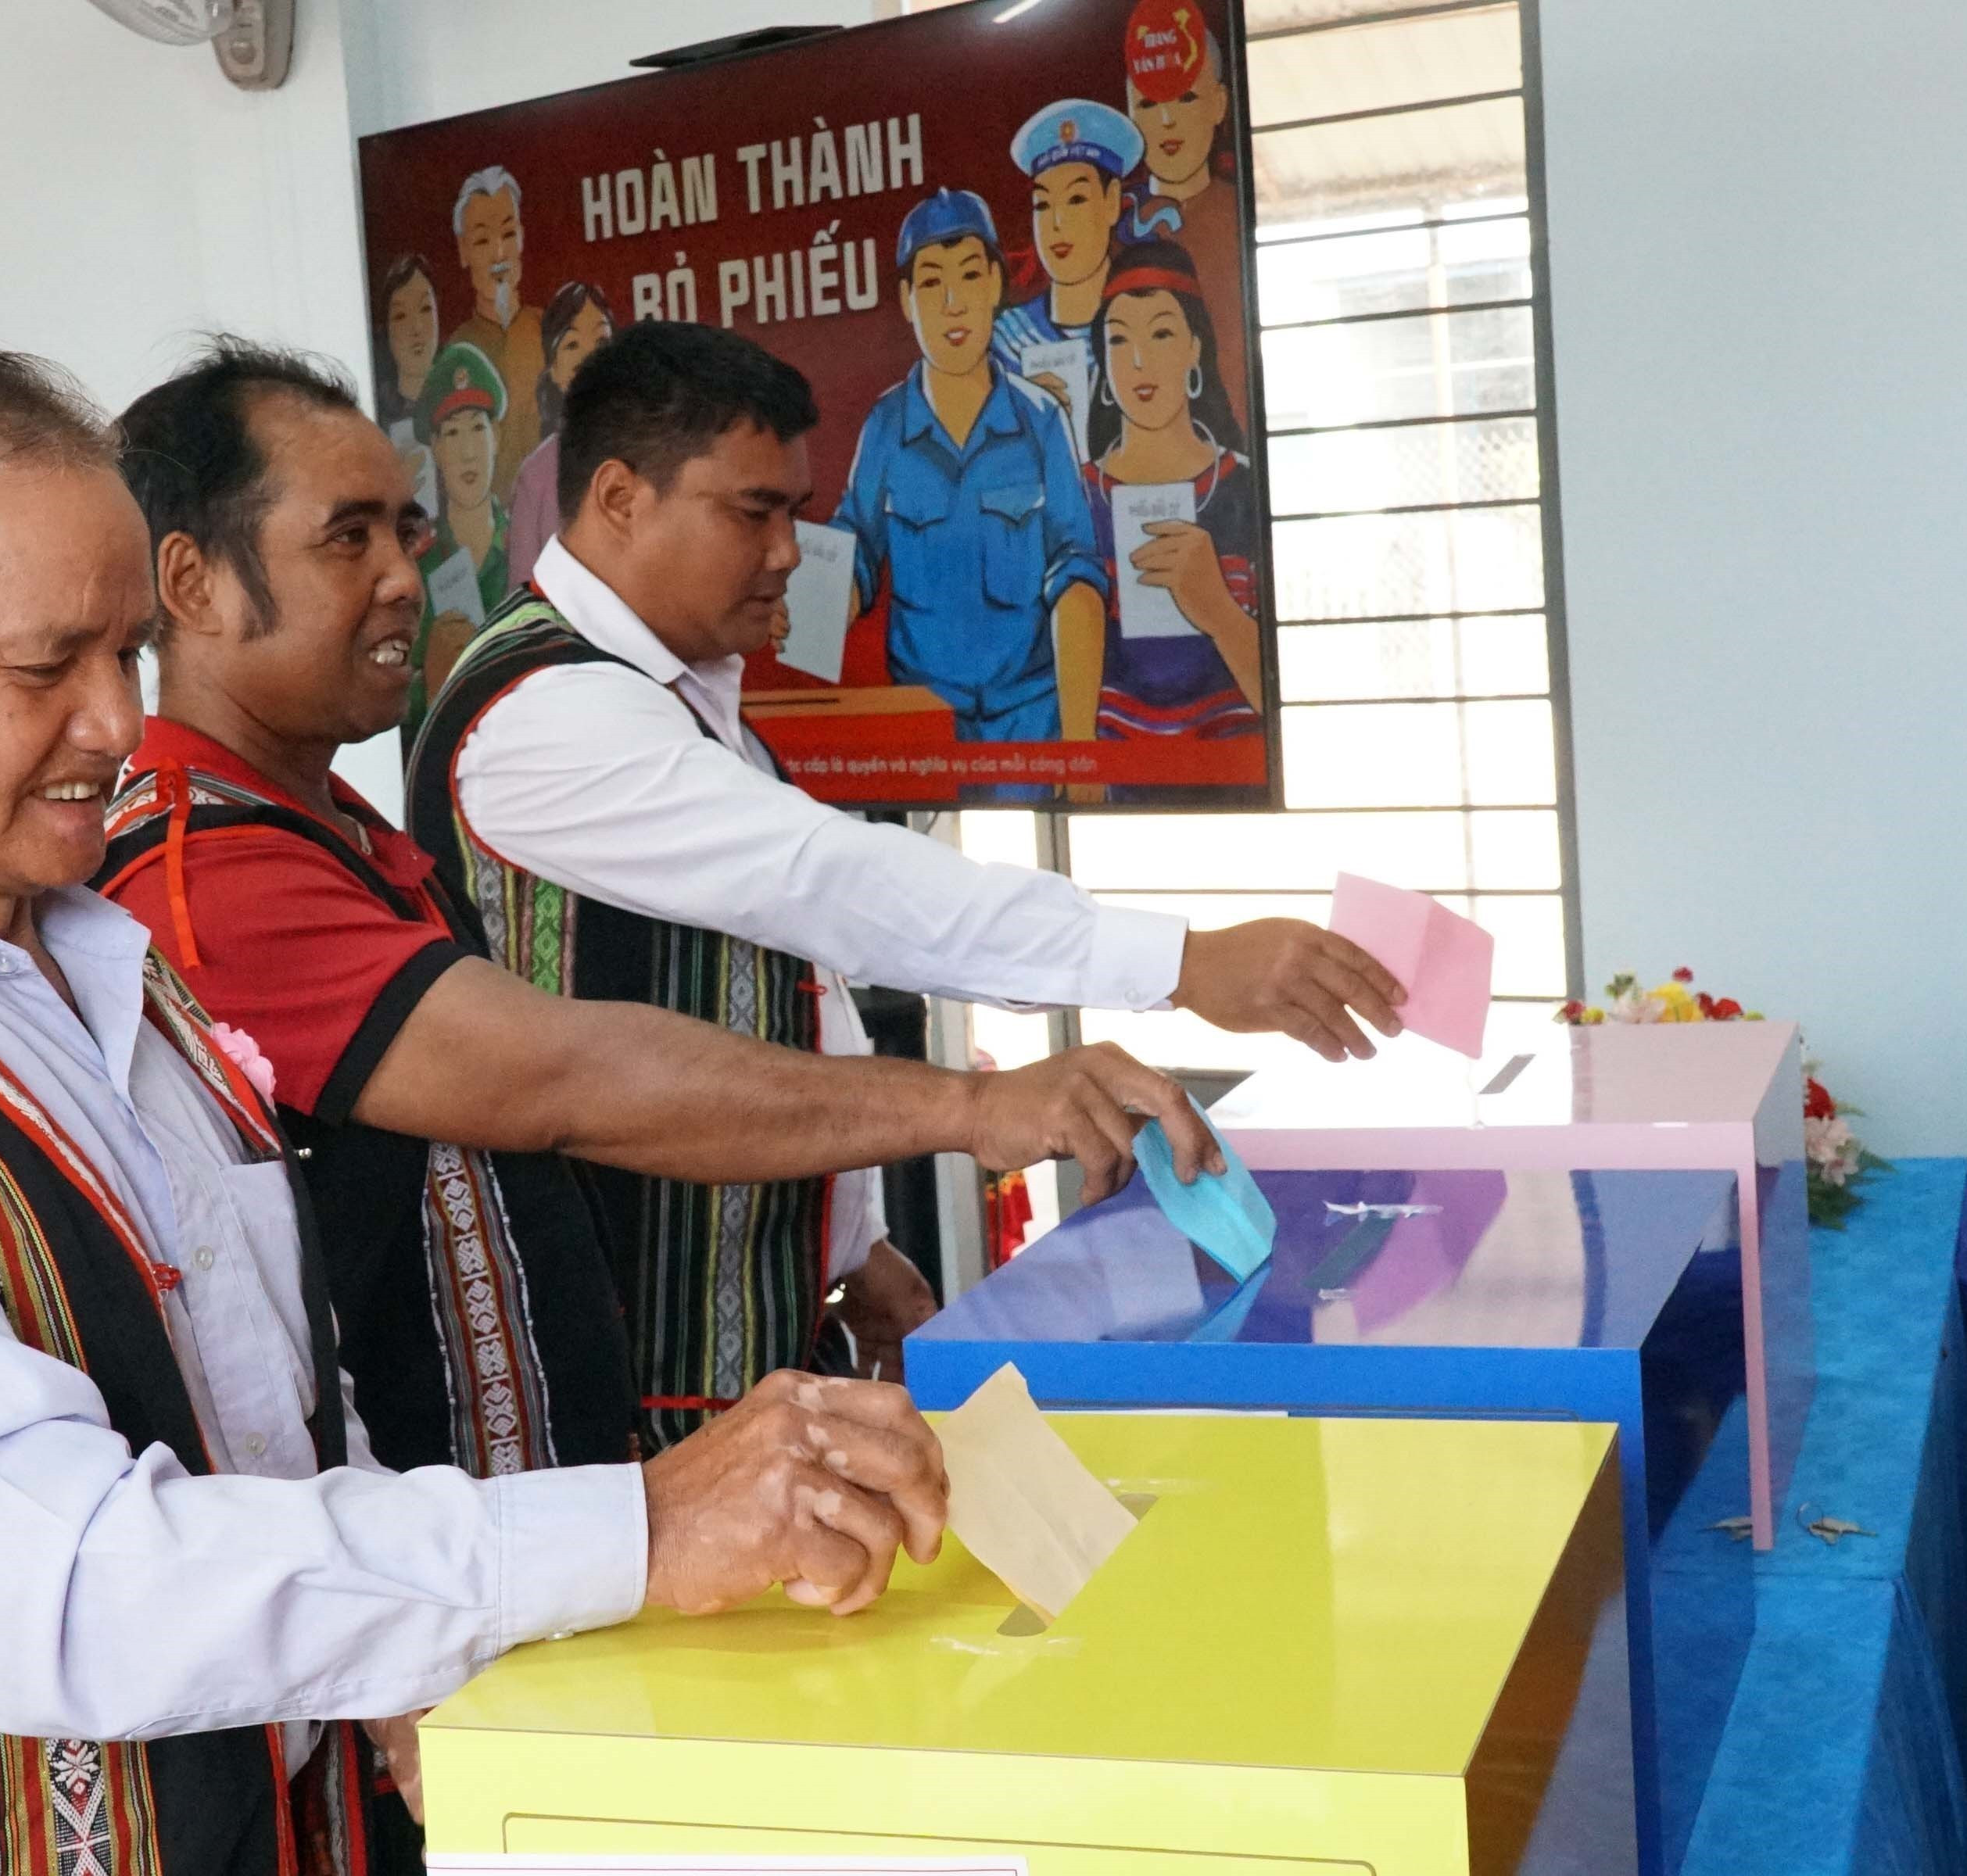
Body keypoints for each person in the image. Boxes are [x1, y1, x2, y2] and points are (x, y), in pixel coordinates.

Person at [0, 334, 953, 1874]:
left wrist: (400, 1656)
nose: (112, 724)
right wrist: (639, 1529)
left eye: (124, 655)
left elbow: (265, 1408)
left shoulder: (110, 983)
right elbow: (71, 1585)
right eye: (41, 667)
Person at [105, 337, 1213, 1478]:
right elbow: (568, 1074)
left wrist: (847, 1238)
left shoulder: (328, 823)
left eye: (405, 530)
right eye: (348, 537)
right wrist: (974, 1105)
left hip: (565, 1480)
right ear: (191, 585)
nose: (398, 575)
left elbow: (774, 982)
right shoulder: (209, 870)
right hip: (472, 1535)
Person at [404, 320, 1409, 1448]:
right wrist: (1179, 962)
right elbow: (826, 884)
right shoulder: (544, 716)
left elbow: (783, 983)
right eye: (753, 512)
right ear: (621, 497)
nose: (791, 550)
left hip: (738, 1346)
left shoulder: (676, 696)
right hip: (605, 1379)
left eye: (796, 508)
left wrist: (849, 1243)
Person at [838, 188, 1108, 751]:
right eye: (931, 283)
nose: (952, 304)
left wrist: (1080, 752)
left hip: (1030, 718)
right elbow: (853, 547)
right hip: (921, 720)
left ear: (994, 285)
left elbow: (1075, 571)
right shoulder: (886, 425)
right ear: (907, 299)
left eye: (968, 277)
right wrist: (810, 605)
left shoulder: (1040, 421)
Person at [1080, 238, 1263, 748]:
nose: (1138, 361)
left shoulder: (1243, 487)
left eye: (1161, 334)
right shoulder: (1072, 496)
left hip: (1230, 764)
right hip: (1110, 777)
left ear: (1194, 348)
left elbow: (1290, 701)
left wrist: (1220, 613)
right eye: (1118, 340)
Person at [992, 98, 1143, 429]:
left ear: (1112, 201)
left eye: (1076, 200)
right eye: (1042, 205)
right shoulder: (1006, 339)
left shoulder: (1147, 325)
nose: (1056, 223)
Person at [410, 339, 511, 736]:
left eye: (477, 429)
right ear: (435, 447)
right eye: (452, 434)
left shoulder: (532, 545)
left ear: (496, 437)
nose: (469, 453)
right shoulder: (418, 567)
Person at [504, 280, 614, 589]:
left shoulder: (654, 453)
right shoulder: (535, 474)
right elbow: (522, 595)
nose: (588, 358)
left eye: (601, 343)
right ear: (553, 370)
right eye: (572, 345)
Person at [1120, 0, 1240, 270]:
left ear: (1219, 104)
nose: (1167, 121)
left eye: (1186, 99)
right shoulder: (1114, 226)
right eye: (1147, 105)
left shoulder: (1238, 211)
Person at [445, 164, 545, 489]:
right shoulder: (457, 353)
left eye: (508, 234)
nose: (499, 253)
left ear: (523, 239)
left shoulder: (551, 331)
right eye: (483, 240)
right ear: (463, 251)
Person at [370, 252, 442, 516]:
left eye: (425, 310)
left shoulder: (460, 402)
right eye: (401, 316)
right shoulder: (374, 417)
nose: (416, 329)